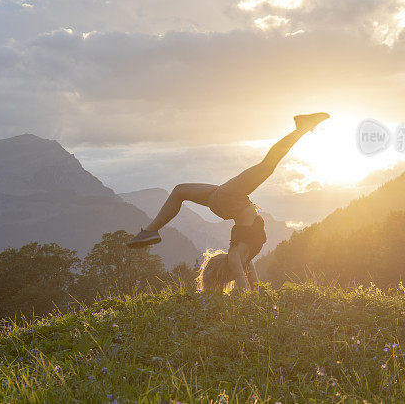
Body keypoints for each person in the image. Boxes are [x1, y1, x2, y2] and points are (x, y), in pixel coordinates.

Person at [126, 112, 330, 292]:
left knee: (266, 166)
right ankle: (302, 128)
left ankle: (150, 232)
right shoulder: (243, 259)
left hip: (229, 202)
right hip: (229, 203)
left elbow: (246, 291)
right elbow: (254, 290)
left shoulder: (237, 257)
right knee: (181, 191)